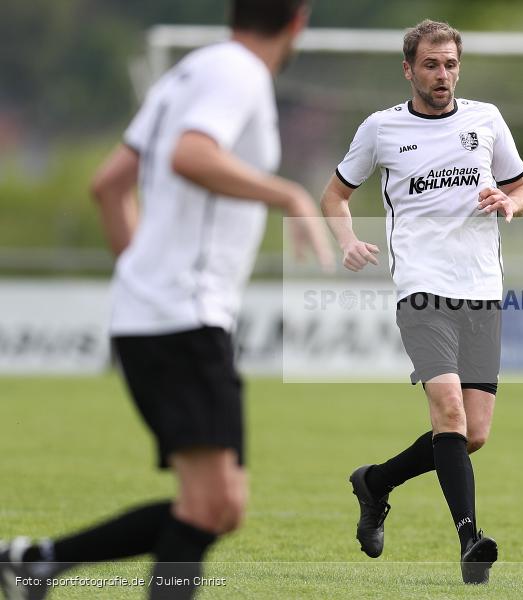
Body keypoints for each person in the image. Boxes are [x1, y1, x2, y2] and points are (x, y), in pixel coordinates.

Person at [0, 2, 333, 599]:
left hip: (159, 315)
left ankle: (38, 562)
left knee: (219, 506)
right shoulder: (240, 74)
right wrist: (289, 195)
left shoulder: (190, 71)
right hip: (183, 316)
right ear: (298, 21)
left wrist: (138, 280)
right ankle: (36, 564)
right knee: (211, 506)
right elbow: (191, 155)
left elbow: (108, 186)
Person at [319, 20, 523, 585]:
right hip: (422, 291)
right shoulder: (382, 129)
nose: (444, 75)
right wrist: (347, 241)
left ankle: (377, 481)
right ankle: (470, 541)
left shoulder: (486, 120)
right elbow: (335, 195)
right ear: (409, 69)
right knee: (450, 415)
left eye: (452, 64)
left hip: (483, 290)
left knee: (473, 434)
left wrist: (509, 205)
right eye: (432, 65)